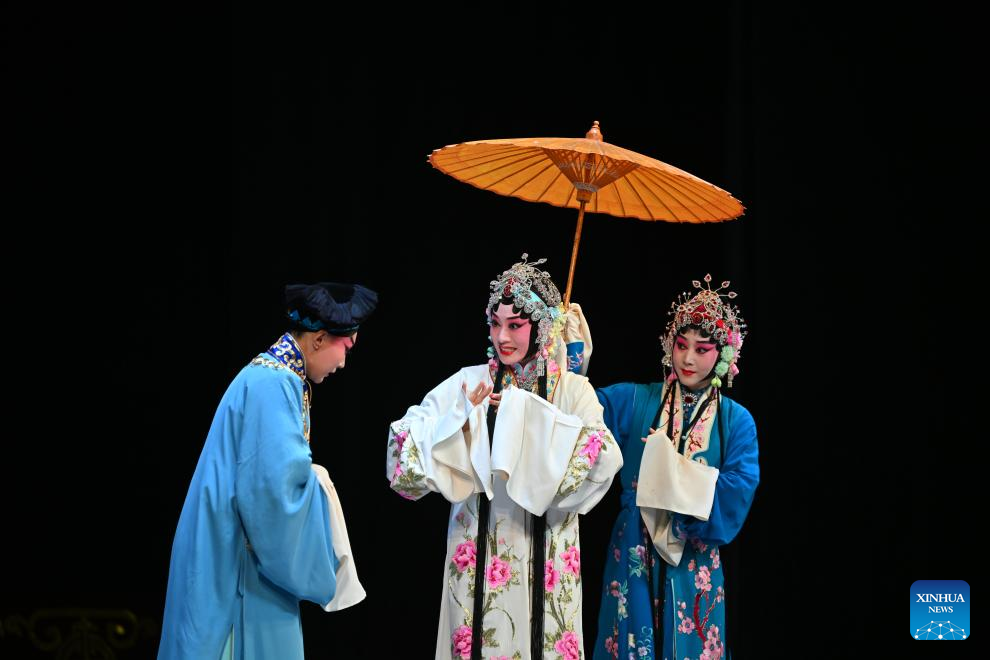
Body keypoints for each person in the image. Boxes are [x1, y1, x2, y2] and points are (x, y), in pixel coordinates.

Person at [386, 255, 622, 659]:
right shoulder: (470, 381)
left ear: (541, 327)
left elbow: (601, 453)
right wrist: (462, 421)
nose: (502, 337)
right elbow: (405, 439)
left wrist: (528, 414)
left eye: (515, 325)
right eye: (495, 324)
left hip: (546, 545)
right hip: (478, 546)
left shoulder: (571, 390)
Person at [158, 282, 376, 660]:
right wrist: (320, 486)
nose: (343, 363)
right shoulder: (274, 384)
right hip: (237, 560)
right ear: (319, 339)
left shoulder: (271, 376)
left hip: (227, 544)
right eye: (346, 348)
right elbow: (273, 497)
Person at [591, 275, 759, 659]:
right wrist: (565, 357)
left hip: (694, 554)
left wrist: (673, 470)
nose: (688, 359)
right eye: (682, 345)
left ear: (724, 353)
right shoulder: (637, 400)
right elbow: (582, 409)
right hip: (634, 547)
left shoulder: (735, 421)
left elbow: (738, 489)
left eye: (702, 349)